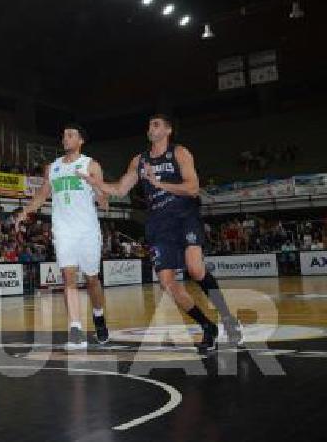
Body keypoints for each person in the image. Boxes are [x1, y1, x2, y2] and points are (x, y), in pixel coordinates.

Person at [79, 114, 242, 351]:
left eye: (156, 125)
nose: (150, 128)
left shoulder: (180, 153)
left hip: (184, 217)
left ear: (168, 131)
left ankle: (228, 318)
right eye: (149, 125)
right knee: (167, 283)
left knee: (196, 269)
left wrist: (160, 184)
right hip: (158, 224)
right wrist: (95, 183)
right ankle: (208, 326)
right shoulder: (140, 161)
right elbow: (120, 188)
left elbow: (193, 187)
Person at [16, 124, 110, 348]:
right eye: (64, 135)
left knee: (92, 280)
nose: (65, 138)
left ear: (81, 141)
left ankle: (98, 316)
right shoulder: (53, 167)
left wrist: (94, 185)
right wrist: (24, 212)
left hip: (87, 230)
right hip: (63, 230)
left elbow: (105, 204)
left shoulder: (91, 165)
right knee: (68, 278)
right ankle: (75, 329)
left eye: (70, 135)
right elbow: (41, 196)